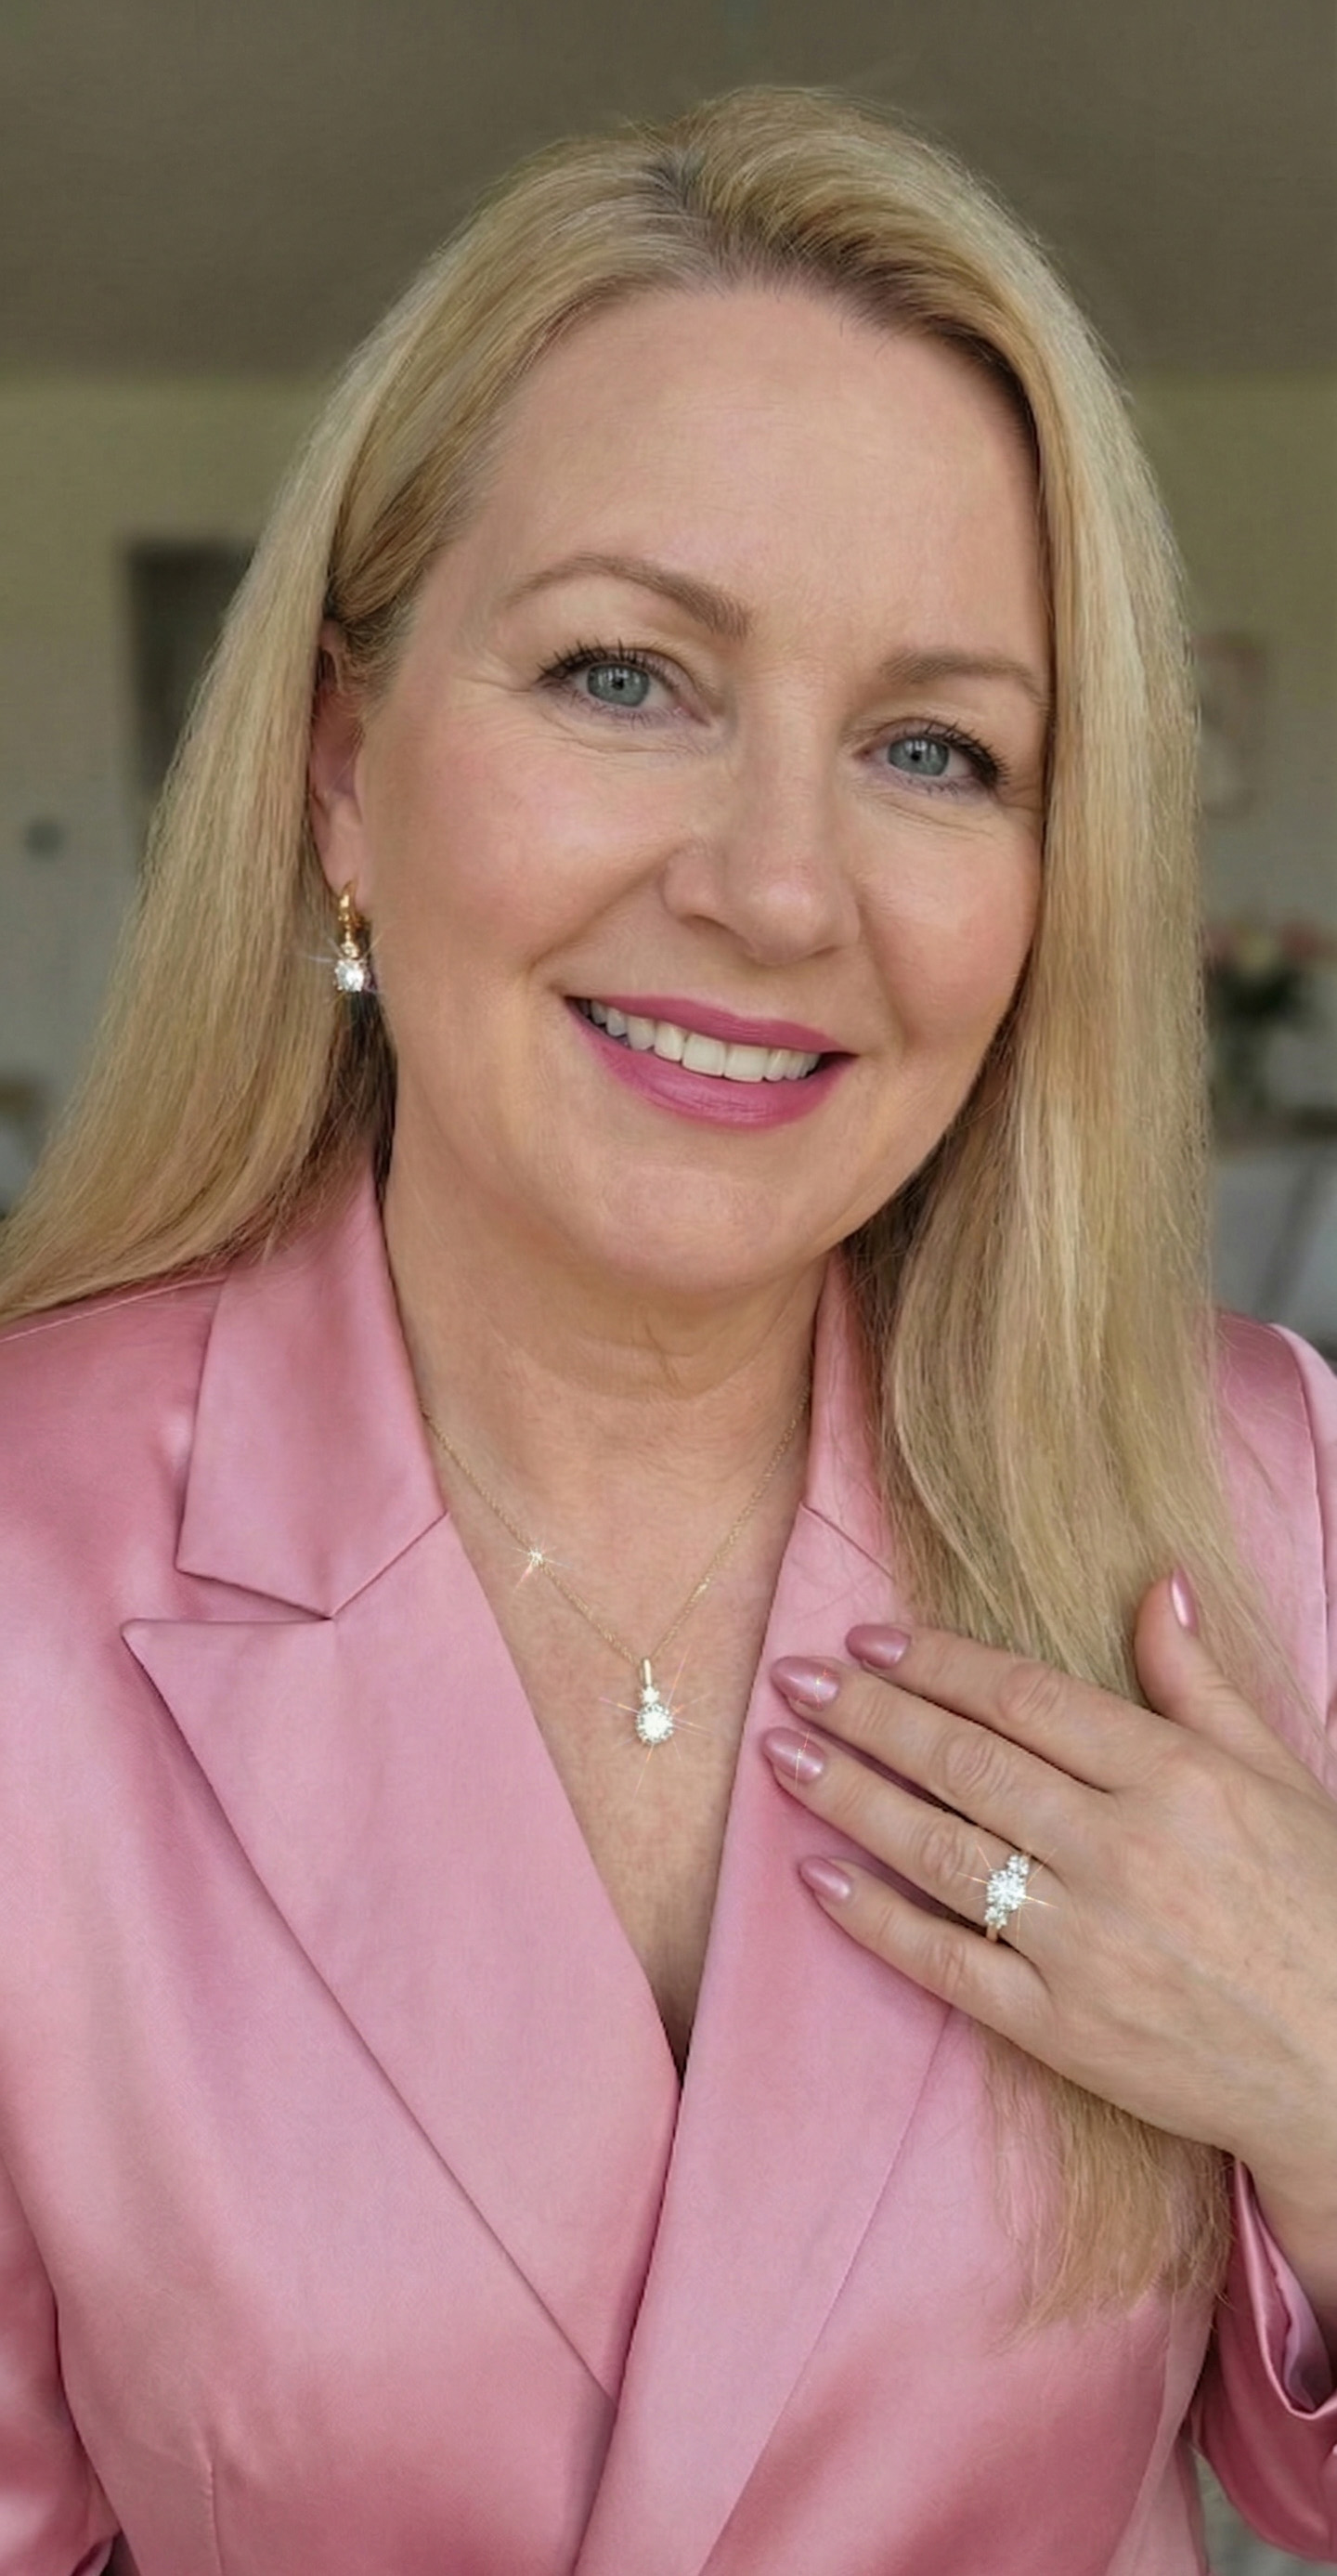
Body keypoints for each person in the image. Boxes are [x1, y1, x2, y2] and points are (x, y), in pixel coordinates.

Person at [0, 84, 1333, 2576]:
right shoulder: (21, 1557)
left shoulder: (1255, 1495)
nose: (778, 887)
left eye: (935, 749)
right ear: (342, 776)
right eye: (627, 677)